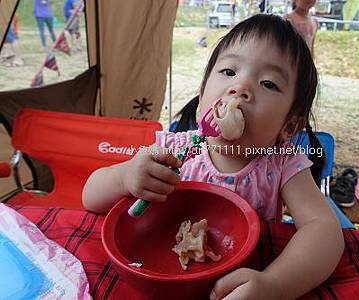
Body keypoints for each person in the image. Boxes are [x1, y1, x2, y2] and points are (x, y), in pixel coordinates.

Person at [83, 14, 344, 299]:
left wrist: (274, 285)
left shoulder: (282, 164)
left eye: (268, 83)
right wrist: (126, 177)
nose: (240, 87)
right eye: (229, 72)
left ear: (289, 126)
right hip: (163, 277)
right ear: (202, 96)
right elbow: (90, 196)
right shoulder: (172, 150)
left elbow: (325, 231)